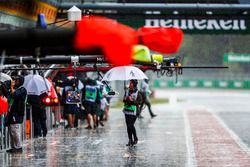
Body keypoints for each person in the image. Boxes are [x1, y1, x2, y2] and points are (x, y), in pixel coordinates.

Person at [5, 76, 27, 153]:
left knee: (15, 130)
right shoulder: (15, 89)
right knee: (11, 131)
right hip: (11, 112)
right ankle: (13, 147)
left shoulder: (22, 90)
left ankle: (18, 147)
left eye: (16, 80)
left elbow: (15, 95)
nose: (15, 81)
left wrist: (11, 87)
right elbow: (8, 97)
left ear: (20, 81)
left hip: (17, 114)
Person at [123, 79, 140, 146]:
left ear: (134, 84)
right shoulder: (127, 91)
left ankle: (135, 137)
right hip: (127, 110)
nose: (129, 84)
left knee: (131, 125)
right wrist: (125, 99)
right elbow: (123, 100)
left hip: (134, 111)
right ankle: (130, 140)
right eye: (129, 83)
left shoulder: (138, 92)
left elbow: (139, 102)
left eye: (130, 83)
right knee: (128, 126)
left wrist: (132, 100)